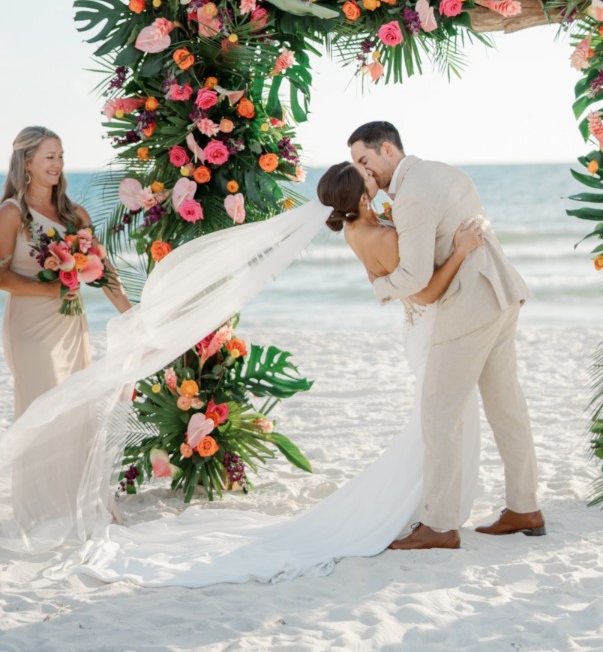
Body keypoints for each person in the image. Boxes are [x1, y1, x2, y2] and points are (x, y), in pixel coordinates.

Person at [19, 162, 483, 582]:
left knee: (434, 421)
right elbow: (422, 291)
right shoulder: (383, 235)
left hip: (418, 331)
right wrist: (459, 251)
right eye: (368, 182)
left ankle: (432, 505)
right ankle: (428, 511)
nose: (375, 183)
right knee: (433, 423)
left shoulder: (358, 231)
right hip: (426, 325)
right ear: (360, 199)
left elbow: (392, 276)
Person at [348, 120, 544, 550]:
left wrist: (380, 287)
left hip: (469, 307)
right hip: (502, 292)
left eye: (364, 161)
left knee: (439, 414)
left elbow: (415, 276)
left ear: (387, 150)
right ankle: (524, 506)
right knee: (506, 406)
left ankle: (439, 525)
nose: (364, 173)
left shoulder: (412, 196)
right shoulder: (444, 171)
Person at [0, 126, 130, 419]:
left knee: (75, 415)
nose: (57, 164)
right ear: (28, 161)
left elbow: (102, 270)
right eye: (49, 157)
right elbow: (0, 275)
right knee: (43, 414)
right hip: (30, 330)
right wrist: (49, 289)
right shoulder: (12, 213)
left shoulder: (75, 214)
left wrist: (130, 314)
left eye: (60, 156)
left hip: (71, 325)